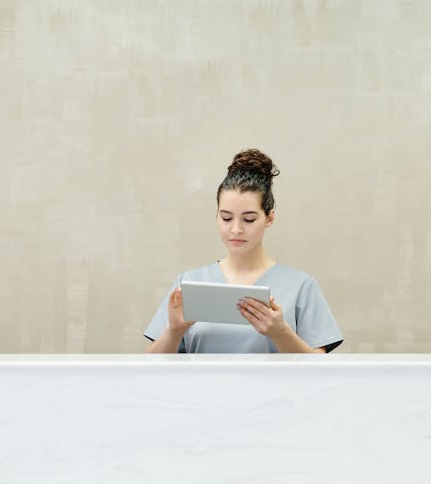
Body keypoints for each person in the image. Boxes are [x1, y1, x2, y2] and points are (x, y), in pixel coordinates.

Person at [143, 149, 343, 353]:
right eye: (226, 218)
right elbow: (151, 365)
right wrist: (174, 331)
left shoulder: (300, 286)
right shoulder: (188, 284)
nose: (236, 229)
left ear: (269, 218)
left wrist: (281, 333)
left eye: (249, 219)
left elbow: (319, 367)